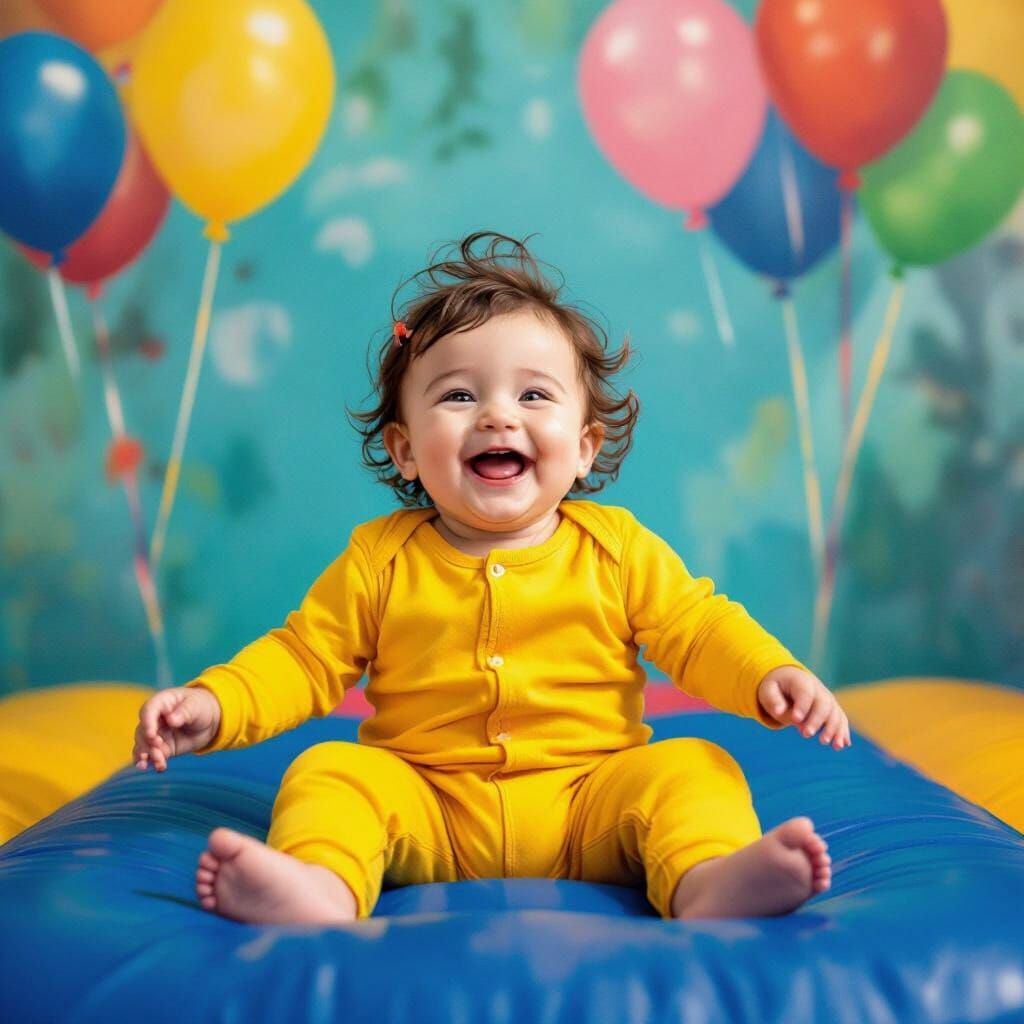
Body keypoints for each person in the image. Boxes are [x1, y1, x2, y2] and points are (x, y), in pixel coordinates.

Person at [133, 231, 849, 927]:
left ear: (583, 448)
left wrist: (766, 672)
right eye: (458, 397)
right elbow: (302, 657)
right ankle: (319, 886)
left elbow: (697, 629)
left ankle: (706, 877)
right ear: (406, 449)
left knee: (697, 765)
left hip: (591, 803)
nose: (498, 415)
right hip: (429, 804)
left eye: (534, 396)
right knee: (329, 772)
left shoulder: (617, 549)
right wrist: (216, 704)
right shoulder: (379, 559)